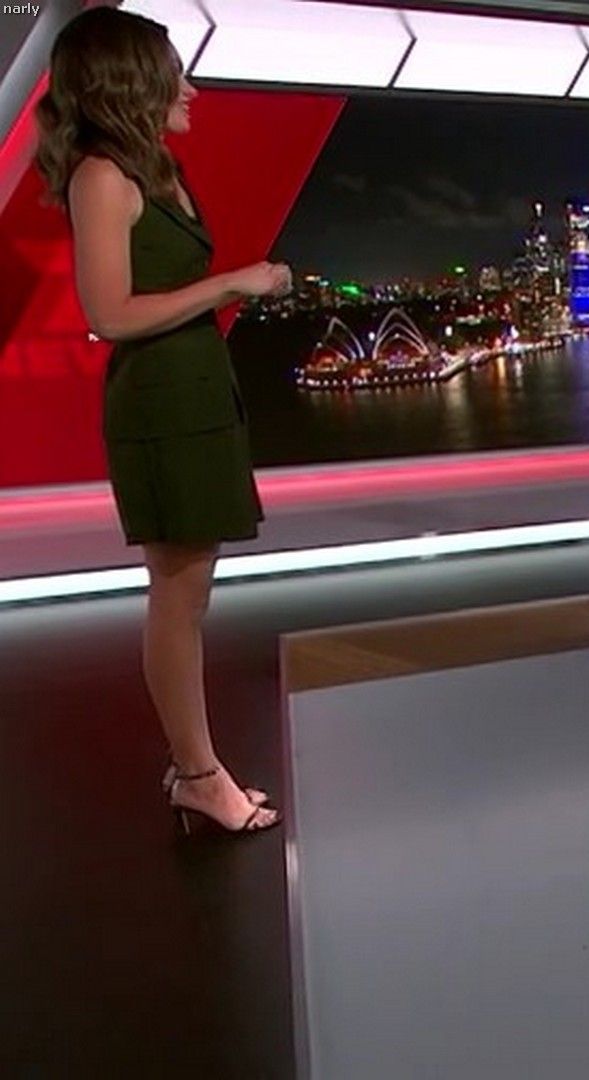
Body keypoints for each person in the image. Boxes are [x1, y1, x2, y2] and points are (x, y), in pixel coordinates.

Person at [35, 9, 292, 834]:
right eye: (175, 74)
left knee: (191, 591)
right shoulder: (102, 176)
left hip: (196, 394)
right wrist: (230, 284)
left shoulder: (155, 168)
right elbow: (108, 313)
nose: (191, 89)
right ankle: (199, 776)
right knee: (177, 597)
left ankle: (195, 767)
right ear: (131, 82)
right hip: (159, 404)